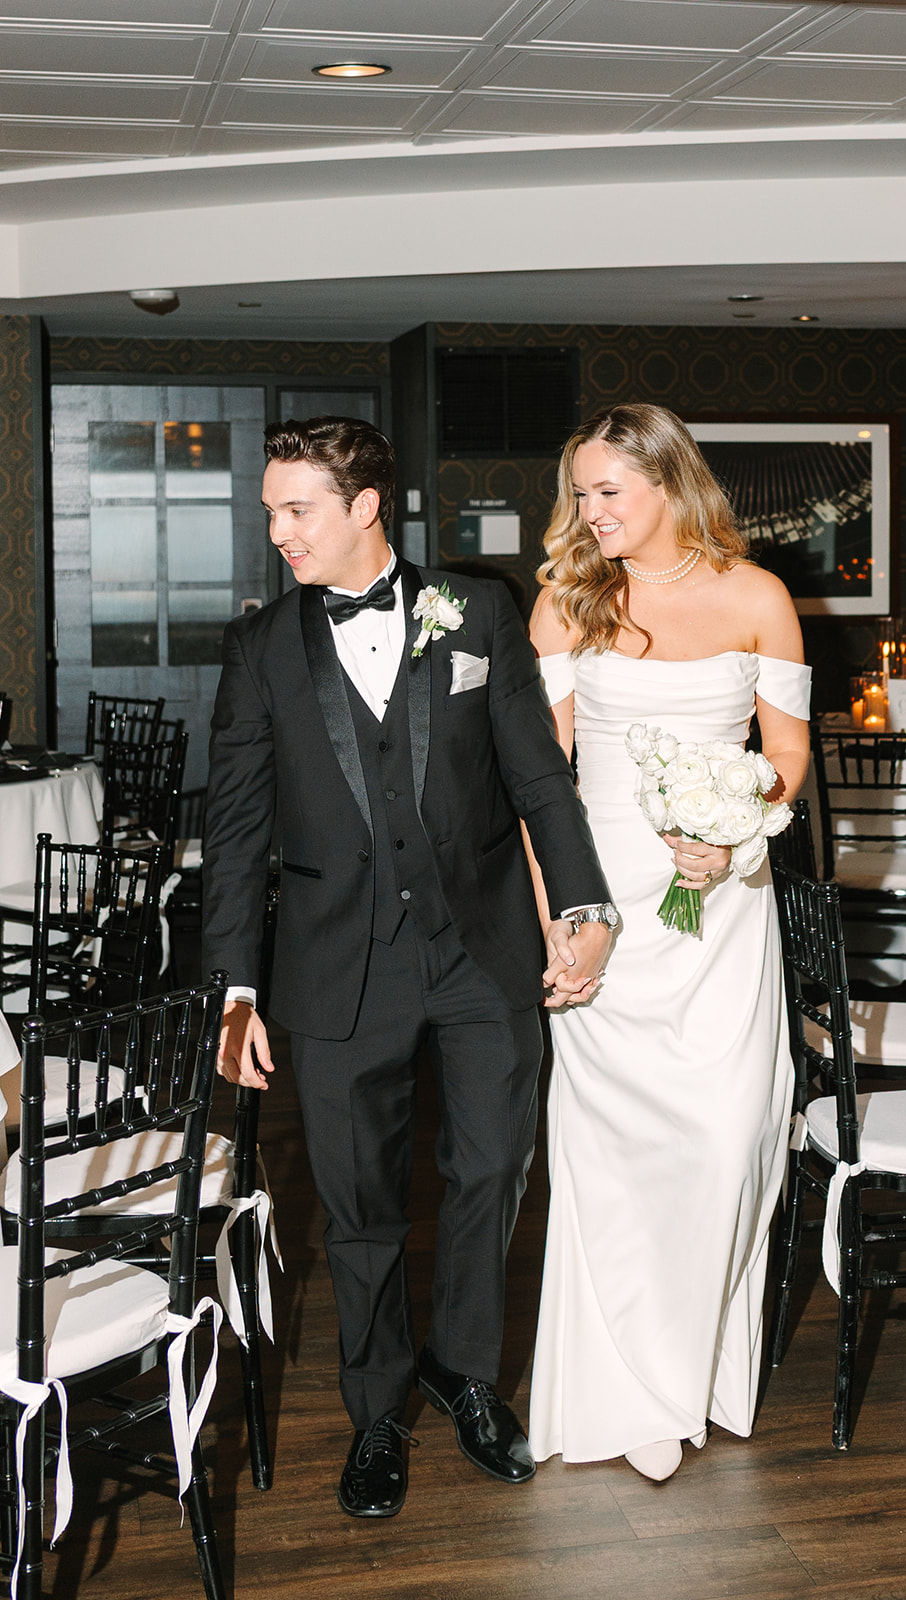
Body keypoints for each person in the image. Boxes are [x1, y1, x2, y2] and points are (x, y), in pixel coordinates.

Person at [202, 416, 615, 1518]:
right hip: (333, 970)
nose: (277, 531)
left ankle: (463, 1371)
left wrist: (581, 906)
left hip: (480, 949)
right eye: (272, 511)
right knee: (360, 1206)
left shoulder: (474, 610)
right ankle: (376, 1408)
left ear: (364, 505)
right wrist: (234, 990)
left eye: (297, 510)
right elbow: (236, 833)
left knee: (490, 1171)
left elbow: (536, 777)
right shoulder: (258, 649)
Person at [526, 403, 811, 1482]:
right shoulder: (566, 601)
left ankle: (689, 1365)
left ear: (668, 482)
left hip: (724, 908)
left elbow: (784, 752)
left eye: (607, 490)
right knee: (614, 1153)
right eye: (580, 492)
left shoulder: (757, 597)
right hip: (605, 909)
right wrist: (566, 915)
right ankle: (629, 1389)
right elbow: (534, 780)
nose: (587, 511)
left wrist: (736, 830)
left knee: (726, 1137)